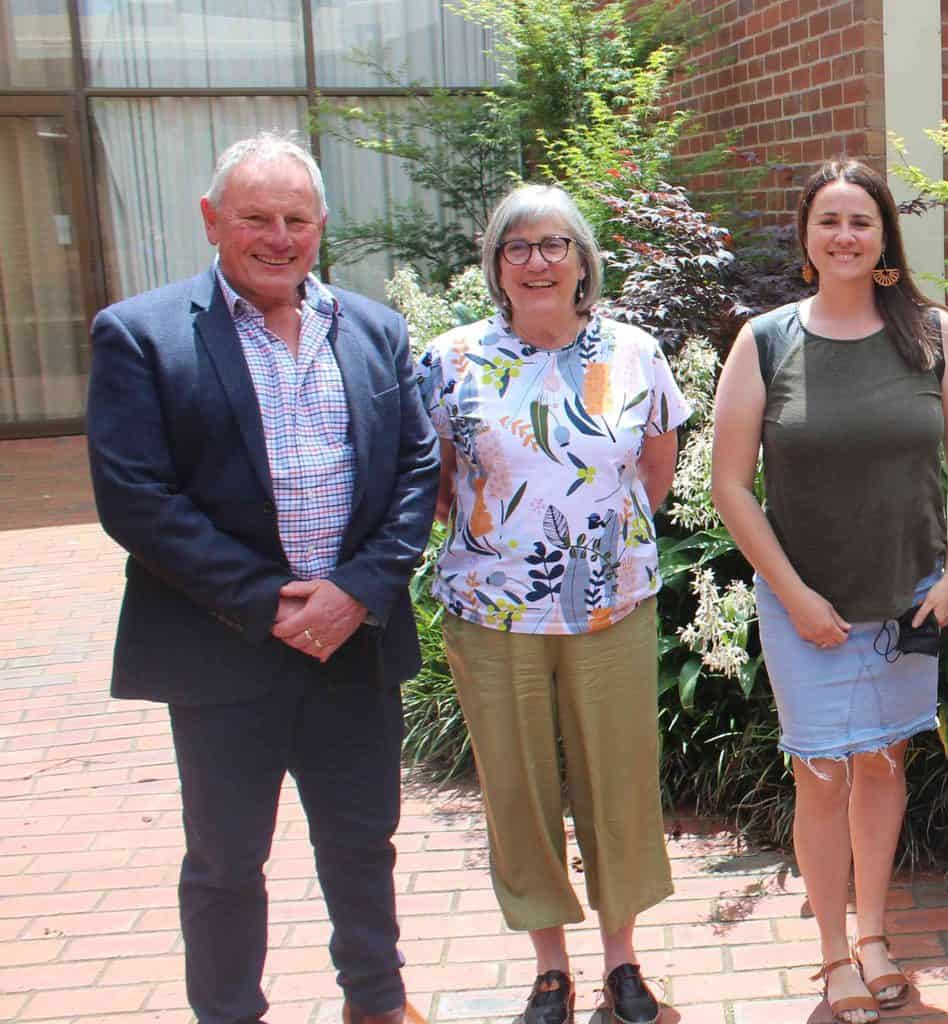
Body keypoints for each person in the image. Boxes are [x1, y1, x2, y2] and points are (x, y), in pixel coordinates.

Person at [85, 130, 437, 1024]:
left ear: (321, 226)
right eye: (255, 218)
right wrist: (265, 600)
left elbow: (415, 472)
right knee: (225, 861)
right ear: (212, 221)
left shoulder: (374, 330)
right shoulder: (141, 335)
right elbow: (134, 495)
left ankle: (378, 1001)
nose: (277, 237)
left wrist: (356, 590)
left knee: (363, 844)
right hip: (222, 647)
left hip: (351, 643)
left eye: (296, 219)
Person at [710, 159, 948, 1024]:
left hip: (907, 593)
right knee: (821, 773)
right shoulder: (764, 340)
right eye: (827, 220)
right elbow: (729, 485)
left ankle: (873, 936)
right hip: (807, 603)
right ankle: (832, 953)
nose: (843, 236)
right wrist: (790, 594)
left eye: (859, 221)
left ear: (883, 240)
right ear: (805, 237)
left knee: (883, 762)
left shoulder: (933, 334)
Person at [413, 184, 690, 1024]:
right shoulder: (449, 357)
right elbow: (435, 484)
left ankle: (622, 958)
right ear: (496, 265)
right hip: (492, 610)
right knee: (518, 786)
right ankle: (548, 967)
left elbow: (655, 469)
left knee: (619, 779)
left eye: (553, 244)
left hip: (611, 603)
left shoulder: (636, 352)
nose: (537, 261)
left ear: (582, 260)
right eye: (517, 247)